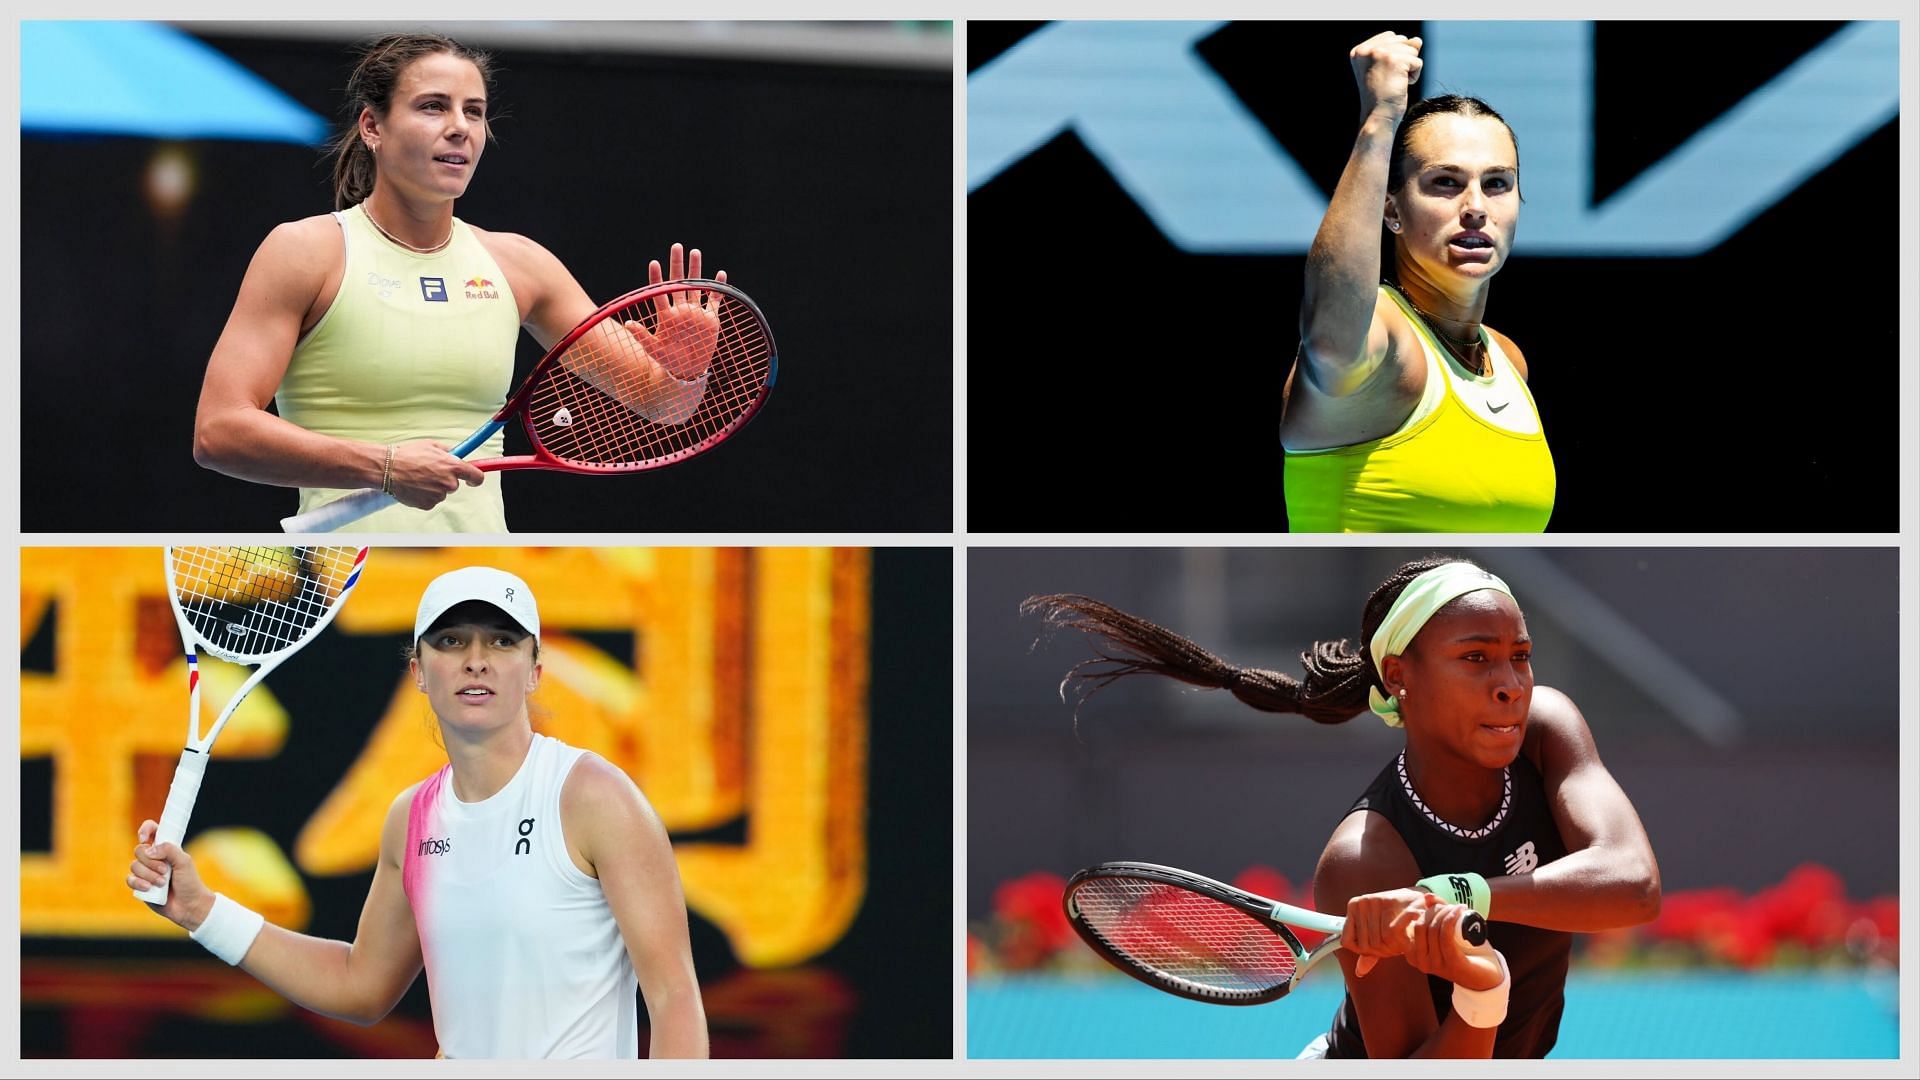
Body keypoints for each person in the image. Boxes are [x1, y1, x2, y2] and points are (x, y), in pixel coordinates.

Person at [1023, 555, 1661, 1058]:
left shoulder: (1548, 725)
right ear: (1399, 672)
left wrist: (1462, 895)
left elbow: (1634, 885)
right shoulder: (1364, 859)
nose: (1510, 686)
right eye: (1475, 658)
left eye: (1519, 657)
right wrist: (1480, 993)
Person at [129, 565, 709, 1059]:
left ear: (535, 671)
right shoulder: (412, 818)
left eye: (503, 642)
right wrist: (202, 912)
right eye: (451, 641)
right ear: (418, 672)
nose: (476, 660)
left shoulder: (595, 797)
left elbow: (673, 996)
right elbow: (360, 986)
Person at [192, 32, 724, 532]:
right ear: (372, 127)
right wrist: (386, 466)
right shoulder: (307, 251)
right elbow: (219, 432)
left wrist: (685, 373)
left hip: (483, 560)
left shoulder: (521, 265)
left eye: (474, 112)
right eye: (433, 106)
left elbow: (664, 407)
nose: (460, 127)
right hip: (342, 571)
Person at [1282, 30, 1554, 532]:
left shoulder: (1507, 360)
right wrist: (1379, 121)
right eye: (1445, 183)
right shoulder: (1383, 344)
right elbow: (1328, 335)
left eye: (1497, 184)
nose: (1475, 207)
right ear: (1392, 209)